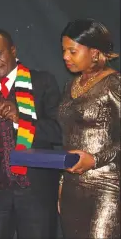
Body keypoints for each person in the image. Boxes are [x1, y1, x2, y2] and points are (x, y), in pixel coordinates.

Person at [0, 29, 62, 239]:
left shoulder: (42, 82)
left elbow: (59, 132)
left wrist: (21, 120)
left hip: (36, 191)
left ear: (13, 50)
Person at [58, 18, 120, 239]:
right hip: (72, 190)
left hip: (107, 190)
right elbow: (69, 138)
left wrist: (94, 160)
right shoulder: (69, 86)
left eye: (72, 51)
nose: (65, 57)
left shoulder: (115, 83)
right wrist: (62, 184)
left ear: (94, 53)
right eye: (64, 50)